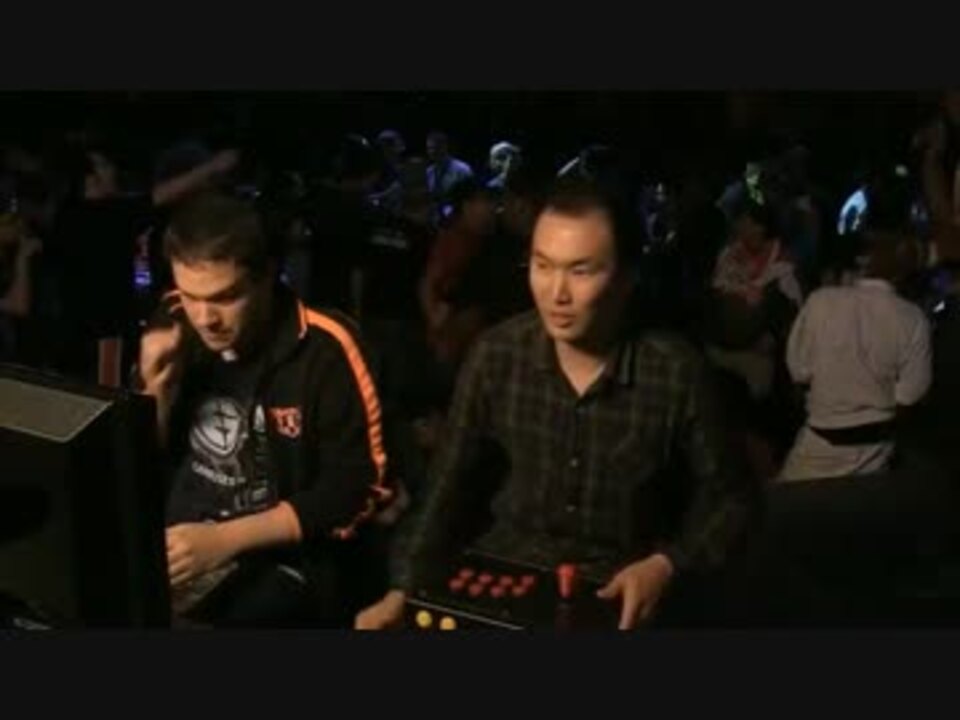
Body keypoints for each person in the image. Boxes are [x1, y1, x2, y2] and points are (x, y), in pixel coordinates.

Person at [356, 176, 754, 630]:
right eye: (542, 266)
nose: (556, 293)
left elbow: (733, 500)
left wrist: (668, 564)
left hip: (618, 592)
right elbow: (445, 487)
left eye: (580, 271)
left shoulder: (675, 370)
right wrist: (402, 590)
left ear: (627, 277)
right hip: (506, 576)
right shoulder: (497, 355)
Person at [135, 192, 396, 626]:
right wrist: (154, 391)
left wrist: (225, 540)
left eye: (225, 297)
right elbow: (139, 465)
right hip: (181, 543)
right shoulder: (173, 320)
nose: (205, 318)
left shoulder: (327, 348)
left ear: (268, 277)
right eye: (190, 295)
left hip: (282, 560)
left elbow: (357, 488)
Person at [779, 203, 931, 481]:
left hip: (817, 450)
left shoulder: (820, 301)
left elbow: (799, 371)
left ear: (863, 261)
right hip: (877, 454)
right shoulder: (913, 318)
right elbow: (910, 395)